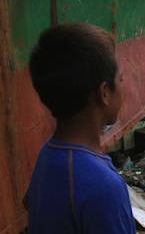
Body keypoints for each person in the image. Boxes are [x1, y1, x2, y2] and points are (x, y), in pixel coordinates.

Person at [25, 23, 135, 233]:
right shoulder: (104, 187)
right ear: (104, 93)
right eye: (120, 79)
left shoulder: (49, 153)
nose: (123, 86)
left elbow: (29, 202)